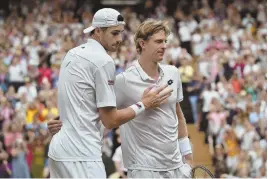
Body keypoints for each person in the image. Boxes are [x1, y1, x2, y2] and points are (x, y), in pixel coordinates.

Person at [49, 19, 193, 178]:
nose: (164, 46)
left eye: (165, 41)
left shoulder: (173, 73)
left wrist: (188, 155)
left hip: (177, 167)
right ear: (142, 44)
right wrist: (64, 124)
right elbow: (101, 116)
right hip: (144, 170)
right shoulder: (123, 81)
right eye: (158, 41)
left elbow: (178, 114)